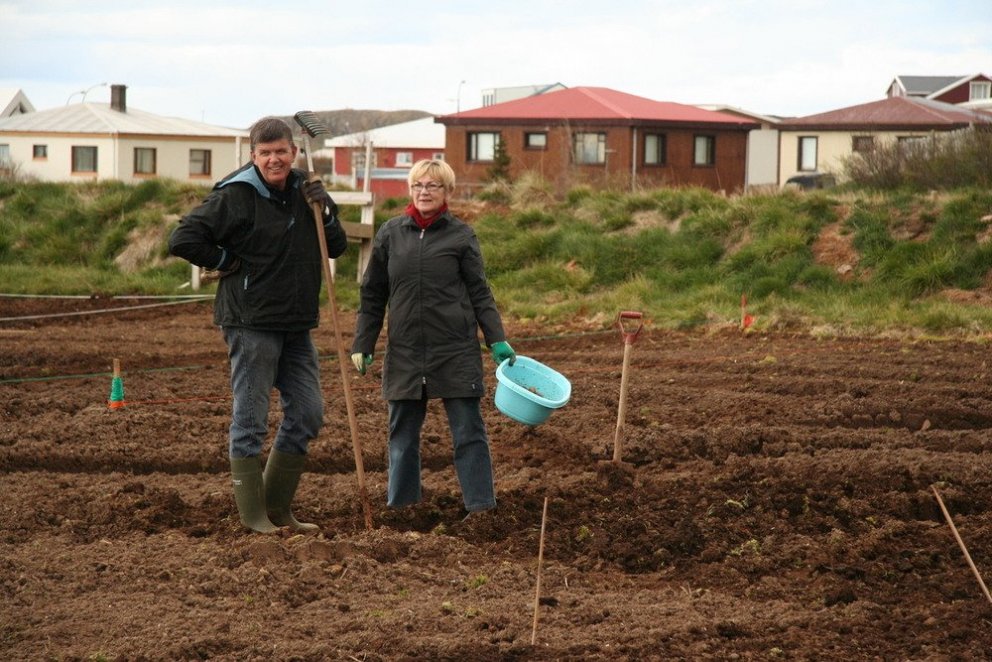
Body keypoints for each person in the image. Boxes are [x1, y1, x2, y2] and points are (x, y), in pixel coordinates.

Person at [168, 116, 347, 534]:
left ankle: (276, 508)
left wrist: (328, 211)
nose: (274, 159)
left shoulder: (307, 189)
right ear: (253, 156)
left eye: (281, 151)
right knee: (250, 418)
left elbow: (335, 246)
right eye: (265, 153)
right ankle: (252, 517)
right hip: (250, 320)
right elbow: (184, 238)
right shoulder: (236, 194)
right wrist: (227, 262)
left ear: (294, 152)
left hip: (296, 321)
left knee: (308, 413)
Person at [350, 158, 515, 520]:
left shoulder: (461, 236)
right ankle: (403, 507)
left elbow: (479, 292)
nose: (424, 192)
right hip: (406, 351)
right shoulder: (391, 234)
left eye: (433, 186)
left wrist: (495, 338)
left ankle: (481, 507)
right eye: (418, 185)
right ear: (410, 190)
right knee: (402, 434)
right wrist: (363, 342)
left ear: (447, 193)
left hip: (455, 350)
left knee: (468, 431)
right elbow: (372, 294)